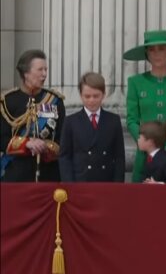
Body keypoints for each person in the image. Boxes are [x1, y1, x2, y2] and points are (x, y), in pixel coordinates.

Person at [123, 29, 166, 182]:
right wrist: (147, 142)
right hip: (145, 154)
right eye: (152, 50)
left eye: (161, 49)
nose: (157, 54)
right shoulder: (136, 82)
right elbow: (131, 120)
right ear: (147, 54)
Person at [0, 49, 66, 182]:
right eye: (40, 70)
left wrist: (47, 146)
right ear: (26, 73)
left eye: (46, 70)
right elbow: (2, 139)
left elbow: (63, 139)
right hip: (16, 174)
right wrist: (27, 143)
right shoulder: (8, 101)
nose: (44, 74)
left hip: (48, 175)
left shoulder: (54, 100)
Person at [59, 72, 126, 182]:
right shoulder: (71, 121)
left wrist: (117, 185)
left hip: (106, 183)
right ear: (81, 95)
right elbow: (65, 157)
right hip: (80, 182)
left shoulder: (113, 120)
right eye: (87, 96)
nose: (91, 100)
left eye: (96, 96)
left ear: (104, 95)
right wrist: (69, 184)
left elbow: (119, 157)